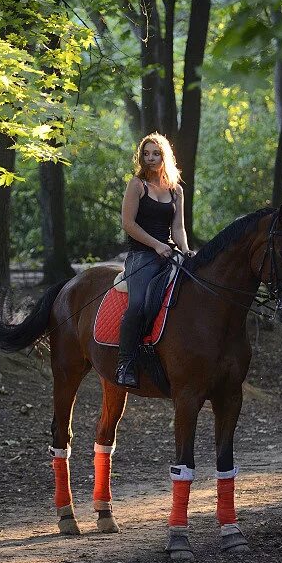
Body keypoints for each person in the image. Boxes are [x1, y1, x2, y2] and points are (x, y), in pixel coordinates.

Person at [115, 133, 191, 388]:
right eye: (146, 154)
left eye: (155, 154)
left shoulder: (176, 190)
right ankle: (125, 362)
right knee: (138, 304)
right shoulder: (136, 185)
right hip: (141, 255)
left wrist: (185, 249)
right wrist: (156, 244)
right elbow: (128, 223)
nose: (150, 158)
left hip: (169, 253)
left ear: (164, 156)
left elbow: (178, 228)